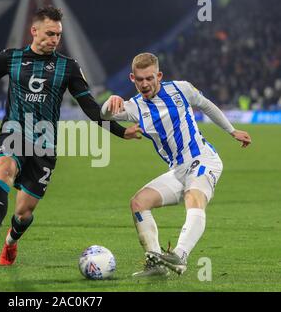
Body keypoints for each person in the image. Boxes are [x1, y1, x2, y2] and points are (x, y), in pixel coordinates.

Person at [0, 6, 138, 265]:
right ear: (34, 30)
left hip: (45, 144)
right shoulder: (10, 58)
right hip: (14, 132)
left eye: (58, 35)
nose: (55, 40)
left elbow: (91, 108)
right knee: (4, 170)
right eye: (50, 34)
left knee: (23, 213)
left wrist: (120, 131)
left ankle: (10, 242)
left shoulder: (67, 67)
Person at [101, 52, 252, 277]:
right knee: (138, 203)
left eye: (150, 78)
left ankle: (180, 255)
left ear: (159, 75)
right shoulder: (134, 107)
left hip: (203, 159)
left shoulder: (181, 89)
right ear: (132, 78)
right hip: (178, 170)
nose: (145, 84)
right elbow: (103, 117)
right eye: (140, 79)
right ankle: (157, 264)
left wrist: (232, 130)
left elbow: (207, 105)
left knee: (194, 197)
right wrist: (108, 104)